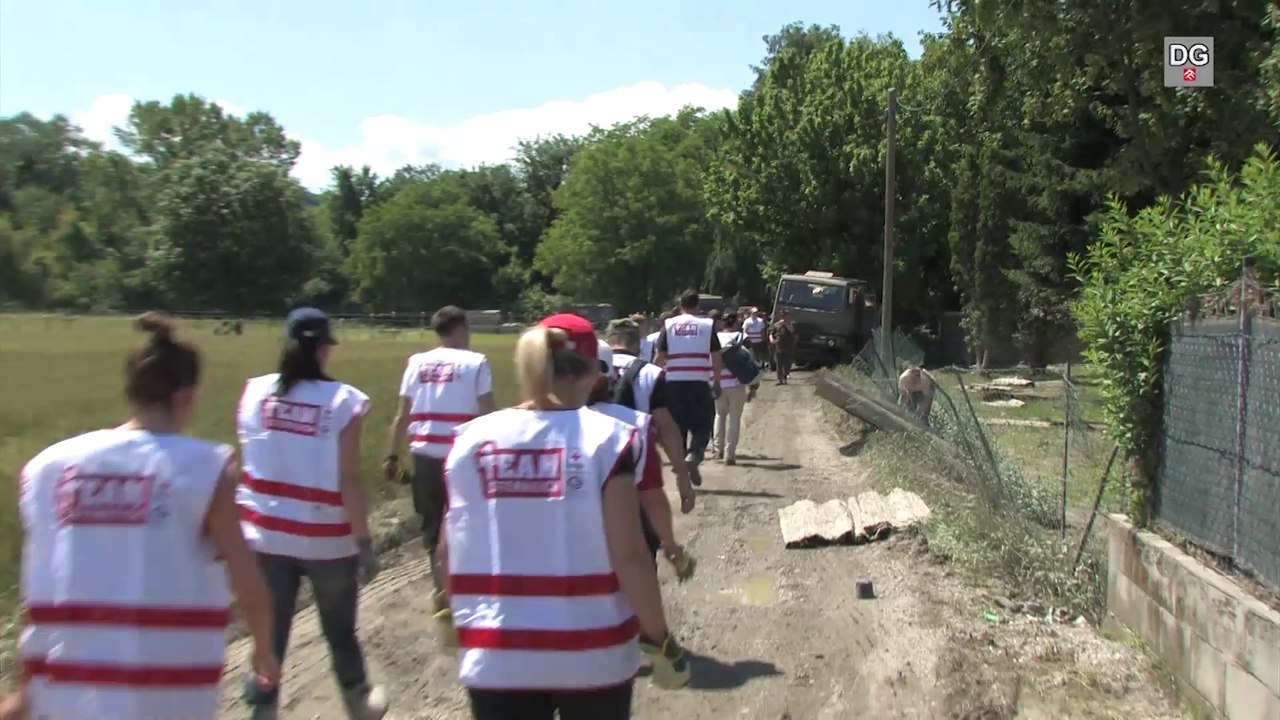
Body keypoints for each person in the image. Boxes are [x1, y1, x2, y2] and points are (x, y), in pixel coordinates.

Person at [17, 313, 279, 720]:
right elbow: (249, 587)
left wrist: (25, 691)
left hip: (67, 692)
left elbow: (37, 589)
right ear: (186, 397)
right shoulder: (203, 467)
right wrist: (264, 651)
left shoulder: (49, 468)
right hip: (167, 694)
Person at [439, 314, 689, 720]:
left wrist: (452, 612)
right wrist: (660, 639)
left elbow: (448, 545)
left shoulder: (470, 439)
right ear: (594, 373)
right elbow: (630, 555)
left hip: (497, 655)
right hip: (592, 653)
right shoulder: (609, 439)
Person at [237, 307, 387, 720]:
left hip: (266, 535)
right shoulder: (344, 402)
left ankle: (263, 707)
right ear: (324, 349)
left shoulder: (254, 392)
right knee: (339, 630)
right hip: (328, 539)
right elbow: (348, 479)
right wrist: (364, 544)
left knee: (272, 630)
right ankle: (358, 701)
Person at [383, 305, 495, 620]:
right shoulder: (476, 363)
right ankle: (472, 590)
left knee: (433, 527)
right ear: (460, 328)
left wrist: (392, 455)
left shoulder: (416, 363)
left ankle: (442, 592)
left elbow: (402, 414)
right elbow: (488, 414)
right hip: (464, 458)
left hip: (425, 456)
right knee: (468, 524)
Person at [593, 340, 696, 579]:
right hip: (630, 501)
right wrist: (670, 544)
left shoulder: (516, 429)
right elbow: (652, 498)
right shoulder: (635, 424)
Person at [604, 317, 696, 514]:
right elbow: (666, 428)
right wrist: (682, 475)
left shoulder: (586, 372)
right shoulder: (651, 374)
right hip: (638, 473)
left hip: (594, 474)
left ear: (608, 342)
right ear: (638, 344)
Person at [654, 290, 722, 486]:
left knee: (677, 428)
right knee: (703, 424)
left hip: (673, 384)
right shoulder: (707, 326)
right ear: (698, 305)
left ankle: (683, 464)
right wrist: (716, 381)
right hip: (699, 383)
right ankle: (695, 455)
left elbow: (660, 357)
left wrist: (654, 382)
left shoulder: (669, 325)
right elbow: (716, 356)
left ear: (680, 304)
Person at [712, 312, 749, 465]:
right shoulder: (740, 337)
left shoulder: (714, 338)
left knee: (719, 416)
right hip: (737, 384)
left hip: (719, 382)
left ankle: (717, 449)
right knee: (734, 419)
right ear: (735, 323)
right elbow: (748, 359)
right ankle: (730, 454)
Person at [770, 310, 798, 384]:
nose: (787, 317)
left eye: (787, 316)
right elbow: (771, 333)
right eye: (785, 316)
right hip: (779, 347)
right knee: (779, 364)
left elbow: (792, 330)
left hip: (789, 347)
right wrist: (772, 339)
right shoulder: (776, 325)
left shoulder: (791, 324)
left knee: (787, 364)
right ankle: (780, 379)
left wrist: (785, 324)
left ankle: (785, 376)